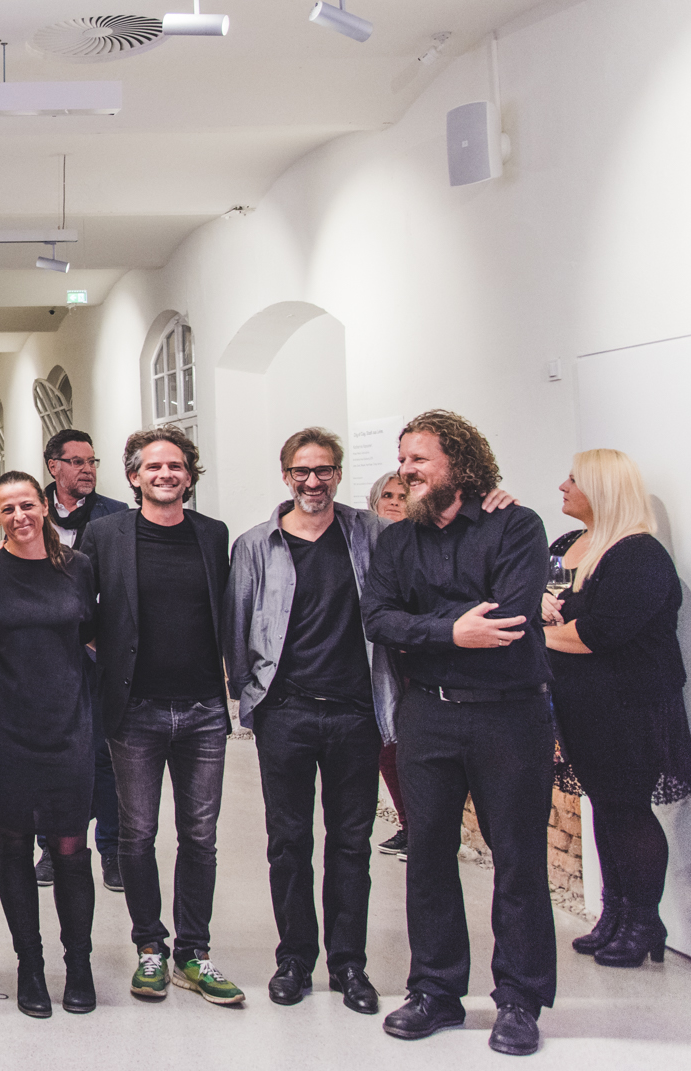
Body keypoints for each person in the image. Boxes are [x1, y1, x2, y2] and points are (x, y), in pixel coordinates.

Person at [362, 409, 552, 1057]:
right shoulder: (397, 541)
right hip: (428, 714)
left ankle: (519, 1001)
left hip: (510, 714)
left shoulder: (516, 525)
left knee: (519, 859)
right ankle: (435, 991)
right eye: (402, 459)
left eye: (419, 459)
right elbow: (378, 618)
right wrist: (452, 630)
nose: (406, 470)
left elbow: (510, 617)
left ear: (460, 465)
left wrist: (424, 629)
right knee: (428, 855)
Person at [226, 428, 392, 1015]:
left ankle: (348, 964)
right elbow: (238, 626)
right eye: (302, 471)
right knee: (288, 842)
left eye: (324, 470)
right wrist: (252, 699)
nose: (313, 481)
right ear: (286, 476)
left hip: (355, 713)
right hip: (287, 713)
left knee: (351, 843)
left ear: (339, 474)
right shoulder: (255, 544)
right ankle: (294, 958)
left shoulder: (372, 533)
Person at [77, 426, 244, 1008]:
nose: (165, 474)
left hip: (203, 709)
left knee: (200, 836)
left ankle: (193, 953)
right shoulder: (106, 534)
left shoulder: (213, 534)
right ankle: (150, 945)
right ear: (134, 476)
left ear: (190, 476)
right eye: (153, 467)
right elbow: (81, 607)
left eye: (175, 466)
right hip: (136, 710)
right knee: (138, 833)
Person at [542, 450, 691, 968]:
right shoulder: (566, 545)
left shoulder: (638, 555)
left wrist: (539, 634)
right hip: (581, 705)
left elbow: (599, 633)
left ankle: (644, 921)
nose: (562, 486)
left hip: (630, 708)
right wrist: (540, 617)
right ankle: (614, 912)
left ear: (602, 489)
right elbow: (535, 601)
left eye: (573, 479)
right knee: (604, 808)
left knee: (627, 809)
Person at [0, 471, 99, 1018]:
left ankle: (79, 963)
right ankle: (30, 964)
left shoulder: (78, 567)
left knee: (70, 845)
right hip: (5, 723)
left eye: (27, 504)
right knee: (13, 842)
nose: (19, 516)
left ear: (44, 506)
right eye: (7, 509)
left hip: (68, 722)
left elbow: (90, 633)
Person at [40, 427, 126, 891]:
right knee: (50, 755)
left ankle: (112, 850)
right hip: (46, 654)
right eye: (77, 461)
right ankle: (51, 849)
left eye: (92, 461)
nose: (87, 469)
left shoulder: (117, 514)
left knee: (105, 755)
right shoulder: (32, 511)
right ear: (53, 466)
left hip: (100, 652)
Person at [365, 470, 412, 858]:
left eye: (403, 496)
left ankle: (420, 827)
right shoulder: (367, 543)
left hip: (414, 655)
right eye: (388, 496)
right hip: (379, 655)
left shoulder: (420, 542)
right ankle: (408, 823)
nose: (395, 502)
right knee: (387, 743)